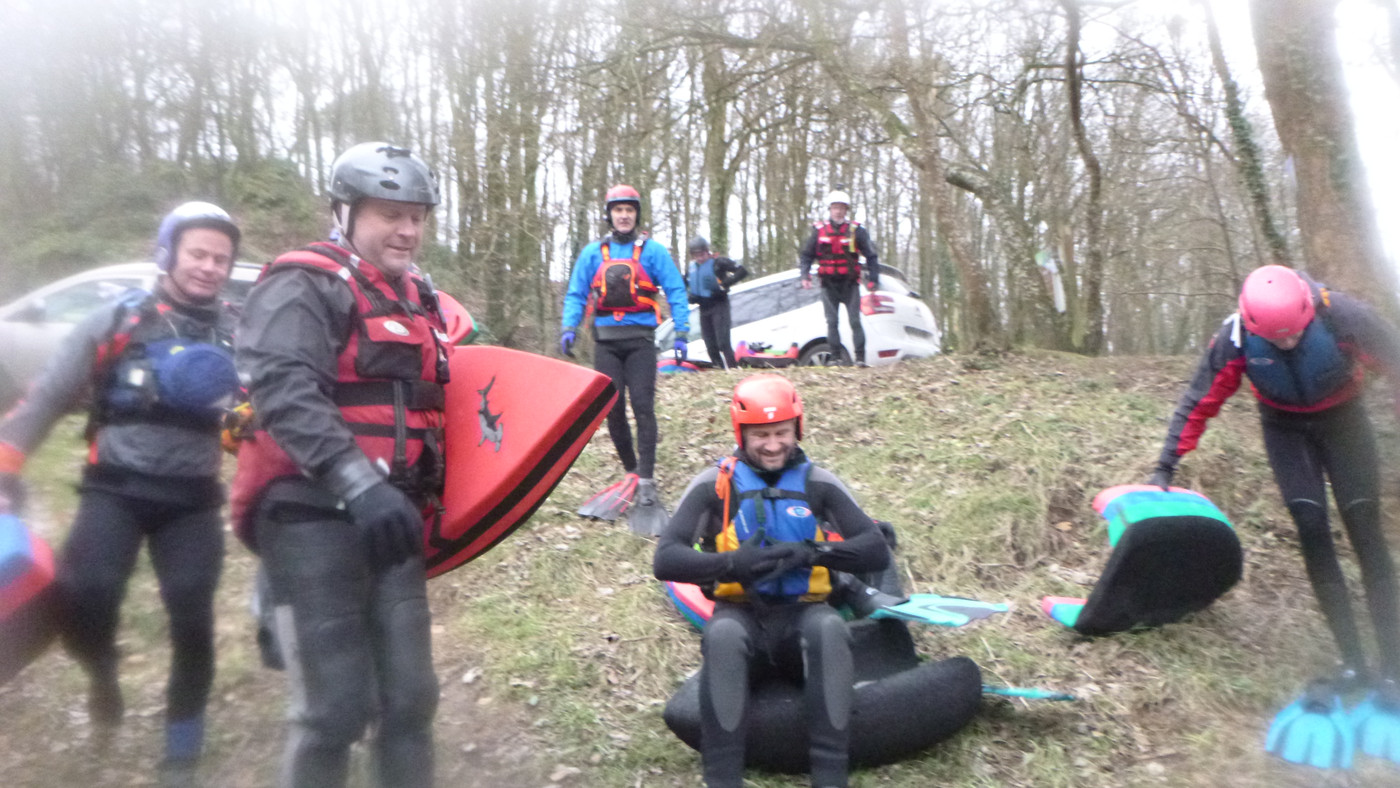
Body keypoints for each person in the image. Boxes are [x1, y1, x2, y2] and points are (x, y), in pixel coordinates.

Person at [231, 142, 452, 788]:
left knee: (411, 699)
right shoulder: (303, 282)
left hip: (392, 515)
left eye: (417, 215)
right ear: (345, 212)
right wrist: (357, 483)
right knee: (334, 709)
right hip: (310, 510)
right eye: (390, 214)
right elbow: (283, 390)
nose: (408, 229)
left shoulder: (419, 299)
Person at [0, 202, 243, 786]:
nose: (209, 267)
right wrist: (6, 472)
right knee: (85, 597)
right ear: (168, 253)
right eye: (197, 253)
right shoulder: (117, 320)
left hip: (192, 498)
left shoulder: (238, 333)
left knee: (191, 613)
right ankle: (103, 676)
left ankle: (181, 753)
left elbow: (252, 418)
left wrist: (246, 421)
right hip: (114, 488)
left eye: (220, 258)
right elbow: (48, 397)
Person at [1148, 265, 1400, 767]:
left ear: (1308, 313)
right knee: (1311, 530)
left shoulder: (1346, 317)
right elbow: (1201, 398)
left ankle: (1393, 663)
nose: (1285, 344)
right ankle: (1351, 660)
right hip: (1285, 429)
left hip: (1345, 422)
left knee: (1365, 531)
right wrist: (1165, 465)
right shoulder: (1236, 337)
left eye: (1293, 335)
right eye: (1276, 338)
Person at [653, 374, 891, 787]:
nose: (773, 444)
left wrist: (813, 553)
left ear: (796, 430)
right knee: (723, 635)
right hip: (741, 617)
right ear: (741, 433)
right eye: (761, 435)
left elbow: (874, 549)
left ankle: (830, 776)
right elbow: (666, 559)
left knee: (830, 627)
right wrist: (730, 564)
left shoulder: (819, 484)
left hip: (804, 617)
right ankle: (723, 778)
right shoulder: (714, 486)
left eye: (782, 432)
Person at [562, 184, 690, 532]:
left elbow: (676, 289)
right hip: (606, 342)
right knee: (612, 409)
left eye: (629, 210)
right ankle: (632, 470)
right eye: (618, 210)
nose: (623, 215)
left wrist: (682, 332)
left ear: (636, 215)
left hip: (641, 342)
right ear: (609, 215)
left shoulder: (653, 252)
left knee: (644, 406)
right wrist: (568, 327)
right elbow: (576, 292)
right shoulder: (593, 253)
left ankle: (647, 481)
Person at [798, 190, 880, 367]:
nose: (838, 211)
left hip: (850, 284)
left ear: (846, 210)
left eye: (841, 208)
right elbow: (806, 255)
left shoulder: (856, 231)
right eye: (835, 207)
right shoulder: (819, 231)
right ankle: (835, 358)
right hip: (828, 284)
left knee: (855, 321)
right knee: (832, 322)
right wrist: (804, 275)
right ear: (830, 209)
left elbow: (871, 256)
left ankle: (860, 359)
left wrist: (874, 279)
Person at [686, 236, 748, 370]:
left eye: (702, 254)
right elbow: (683, 283)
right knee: (709, 344)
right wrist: (689, 297)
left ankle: (732, 368)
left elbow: (742, 271)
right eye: (696, 255)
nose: (700, 258)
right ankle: (718, 369)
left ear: (707, 251)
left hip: (719, 304)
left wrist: (725, 284)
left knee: (722, 342)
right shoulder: (691, 268)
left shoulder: (718, 263)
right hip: (704, 307)